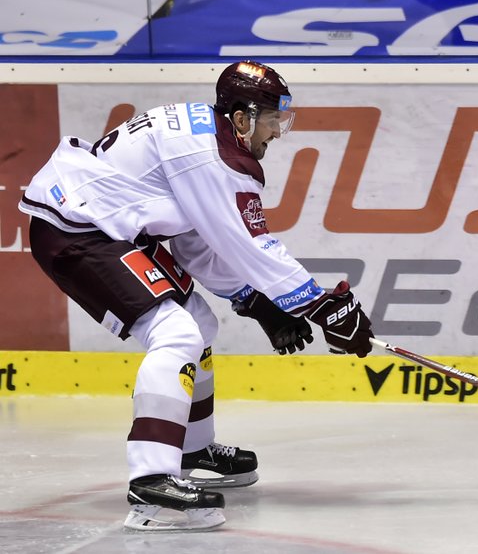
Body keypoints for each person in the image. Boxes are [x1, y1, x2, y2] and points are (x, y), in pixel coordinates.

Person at [17, 61, 375, 531]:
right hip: (77, 230)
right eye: (271, 120)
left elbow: (196, 242)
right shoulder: (212, 158)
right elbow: (250, 245)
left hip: (106, 226)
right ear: (243, 118)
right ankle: (152, 480)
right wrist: (323, 305)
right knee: (175, 331)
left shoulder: (206, 137)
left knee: (199, 324)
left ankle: (191, 448)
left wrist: (256, 302)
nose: (277, 132)